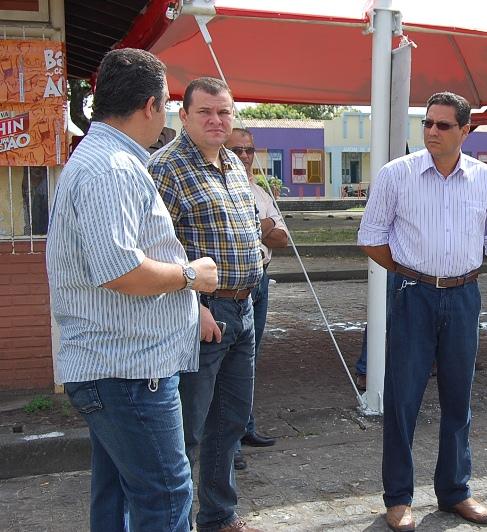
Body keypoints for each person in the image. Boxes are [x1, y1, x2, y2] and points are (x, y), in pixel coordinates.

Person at [46, 48, 218, 532]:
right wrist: (190, 275)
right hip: (127, 369)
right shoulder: (113, 168)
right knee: (166, 492)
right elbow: (121, 270)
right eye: (167, 103)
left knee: (119, 494)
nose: (166, 114)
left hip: (120, 366)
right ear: (150, 105)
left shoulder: (108, 160)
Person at [358, 91, 487, 532]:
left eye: (443, 125)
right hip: (413, 295)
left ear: (465, 131)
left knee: (458, 396)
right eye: (427, 122)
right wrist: (408, 272)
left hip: (465, 296)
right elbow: (371, 236)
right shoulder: (397, 175)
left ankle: (455, 490)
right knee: (402, 398)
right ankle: (398, 498)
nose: (432, 131)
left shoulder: (484, 179)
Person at [148, 78, 265, 532]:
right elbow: (152, 247)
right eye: (205, 112)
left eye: (224, 112)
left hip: (244, 310)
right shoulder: (167, 167)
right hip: (201, 314)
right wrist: (192, 305)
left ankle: (218, 516)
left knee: (229, 422)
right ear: (184, 116)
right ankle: (171, 522)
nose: (217, 120)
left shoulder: (233, 162)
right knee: (186, 429)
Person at [226, 127, 289, 470]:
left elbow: (282, 238)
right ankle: (229, 441)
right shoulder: (222, 188)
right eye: (237, 150)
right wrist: (262, 225)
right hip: (232, 286)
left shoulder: (261, 193)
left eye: (249, 150)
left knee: (249, 359)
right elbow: (238, 235)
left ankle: (245, 426)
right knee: (228, 364)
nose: (245, 157)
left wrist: (258, 226)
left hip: (261, 278)